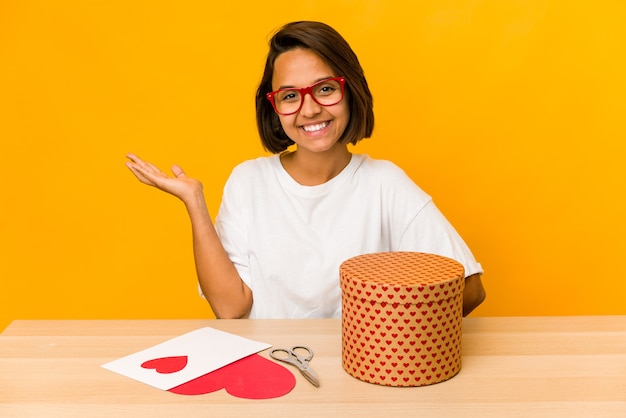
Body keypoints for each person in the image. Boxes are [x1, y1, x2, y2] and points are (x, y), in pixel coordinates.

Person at [125, 21, 486, 319]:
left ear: (350, 90)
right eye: (290, 96)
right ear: (274, 107)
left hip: (357, 377)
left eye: (325, 89)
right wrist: (194, 202)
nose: (310, 110)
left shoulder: (384, 183)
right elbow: (231, 308)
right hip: (268, 372)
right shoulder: (248, 181)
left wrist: (383, 335)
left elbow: (470, 288)